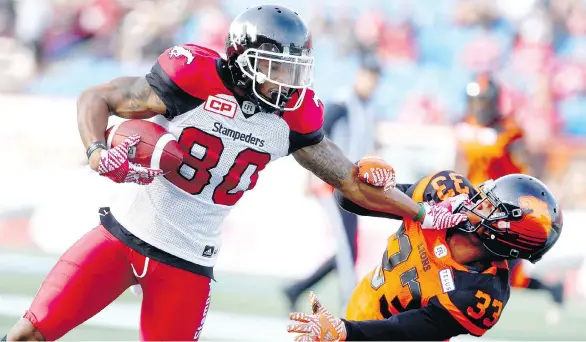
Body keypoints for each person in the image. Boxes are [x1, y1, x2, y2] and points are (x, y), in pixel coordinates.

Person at [3, 5, 468, 342]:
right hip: (120, 236)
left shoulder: (292, 116)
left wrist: (423, 211)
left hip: (186, 265)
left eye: (295, 70)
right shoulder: (193, 76)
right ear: (243, 59)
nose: (287, 83)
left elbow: (349, 180)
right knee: (30, 333)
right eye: (275, 68)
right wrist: (97, 151)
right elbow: (96, 97)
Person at [286, 170, 563, 341]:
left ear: (506, 235)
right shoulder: (445, 192)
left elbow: (402, 331)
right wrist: (365, 181)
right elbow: (350, 201)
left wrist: (347, 332)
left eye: (491, 204)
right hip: (362, 307)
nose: (478, 199)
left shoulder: (482, 295)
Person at [456, 73, 564, 321]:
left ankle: (550, 288)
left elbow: (531, 171)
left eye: (485, 101)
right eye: (476, 102)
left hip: (504, 209)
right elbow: (459, 165)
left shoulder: (510, 131)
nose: (480, 108)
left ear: (495, 102)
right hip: (474, 204)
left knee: (507, 272)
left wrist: (532, 203)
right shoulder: (465, 126)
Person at [283, 54, 382, 312]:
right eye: (368, 77)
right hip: (333, 183)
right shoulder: (342, 104)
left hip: (353, 187)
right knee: (348, 250)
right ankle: (351, 305)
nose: (371, 83)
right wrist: (310, 176)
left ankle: (297, 289)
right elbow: (315, 139)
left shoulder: (367, 107)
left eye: (375, 79)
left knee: (348, 248)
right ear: (358, 76)